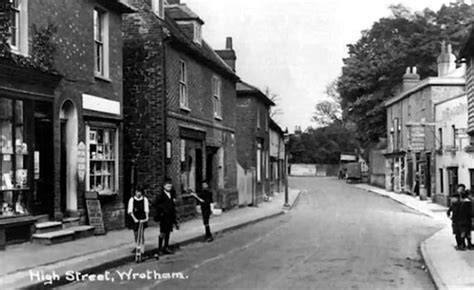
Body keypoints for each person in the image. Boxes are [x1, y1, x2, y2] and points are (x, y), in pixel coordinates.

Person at [154, 178, 178, 256]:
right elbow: (155, 205)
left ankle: (166, 247)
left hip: (170, 216)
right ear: (164, 186)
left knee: (168, 232)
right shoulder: (161, 195)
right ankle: (160, 248)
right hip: (163, 216)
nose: (169, 186)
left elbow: (173, 206)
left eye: (170, 185)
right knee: (162, 232)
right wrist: (161, 211)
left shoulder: (171, 195)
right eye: (168, 185)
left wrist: (175, 219)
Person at [127, 187, 149, 256]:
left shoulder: (144, 199)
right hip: (135, 218)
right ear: (135, 192)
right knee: (136, 233)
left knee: (141, 233)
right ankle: (137, 246)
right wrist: (134, 219)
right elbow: (130, 211)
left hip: (142, 218)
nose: (138, 193)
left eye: (140, 192)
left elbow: (146, 209)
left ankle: (142, 248)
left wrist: (147, 218)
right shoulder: (132, 199)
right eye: (137, 192)